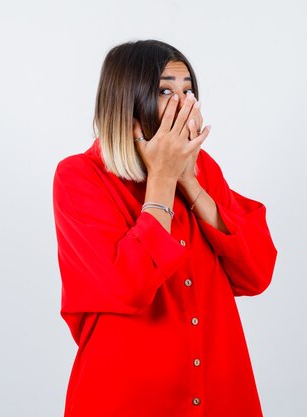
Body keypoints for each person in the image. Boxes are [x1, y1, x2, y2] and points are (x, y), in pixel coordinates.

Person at [52, 39, 278, 417]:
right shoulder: (79, 177)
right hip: (125, 399)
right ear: (127, 100)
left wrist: (189, 184)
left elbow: (256, 273)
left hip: (219, 394)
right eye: (165, 90)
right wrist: (162, 178)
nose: (183, 102)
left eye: (188, 89)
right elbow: (129, 286)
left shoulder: (204, 170)